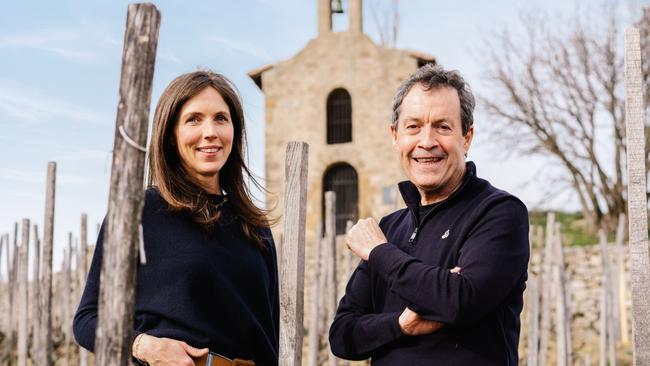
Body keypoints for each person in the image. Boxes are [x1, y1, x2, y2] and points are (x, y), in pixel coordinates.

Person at [73, 70, 279, 366]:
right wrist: (144, 345)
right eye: (194, 119)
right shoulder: (139, 212)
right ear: (171, 134)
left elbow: (271, 335)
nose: (210, 131)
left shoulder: (254, 225)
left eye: (221, 118)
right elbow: (88, 319)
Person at [329, 64, 530, 365]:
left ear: (467, 138)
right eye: (413, 127)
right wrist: (400, 324)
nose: (426, 141)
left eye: (442, 126)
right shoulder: (390, 227)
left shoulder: (498, 212)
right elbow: (342, 336)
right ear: (395, 136)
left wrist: (380, 254)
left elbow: (459, 300)